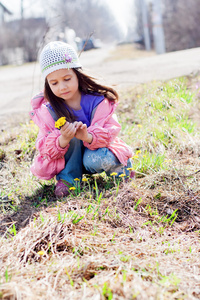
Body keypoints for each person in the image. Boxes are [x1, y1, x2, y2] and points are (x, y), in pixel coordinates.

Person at [29, 41, 134, 197]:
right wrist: (62, 139)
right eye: (54, 83)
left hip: (96, 153)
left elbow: (110, 131)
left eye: (67, 79)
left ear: (77, 74)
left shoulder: (96, 102)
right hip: (70, 160)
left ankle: (121, 168)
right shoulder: (49, 111)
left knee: (95, 160)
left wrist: (87, 136)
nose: (62, 87)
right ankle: (69, 179)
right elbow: (44, 145)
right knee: (66, 135)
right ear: (47, 84)